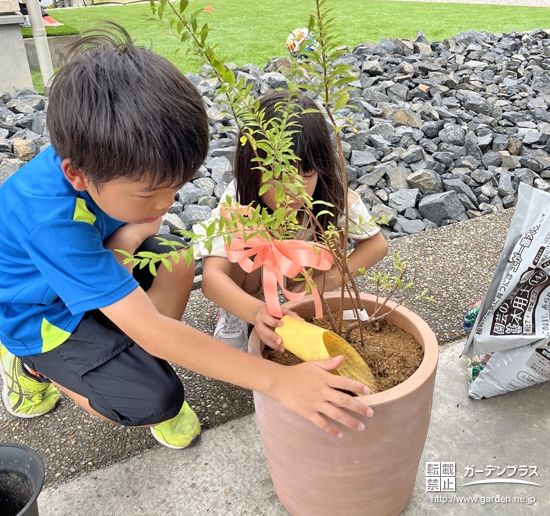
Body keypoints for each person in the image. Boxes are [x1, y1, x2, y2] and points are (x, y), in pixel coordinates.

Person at [0, 25, 373, 449]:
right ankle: (31, 368)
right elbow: (153, 324)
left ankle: (128, 352)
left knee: (176, 258)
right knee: (157, 398)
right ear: (77, 174)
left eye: (176, 186)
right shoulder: (50, 222)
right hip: (40, 314)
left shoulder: (102, 153)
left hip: (83, 267)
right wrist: (279, 380)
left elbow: (133, 248)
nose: (166, 204)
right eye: (150, 193)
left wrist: (129, 237)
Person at [198, 91, 389, 353]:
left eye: (307, 173)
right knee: (240, 240)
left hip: (299, 277)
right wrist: (255, 311)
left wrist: (324, 284)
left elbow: (377, 245)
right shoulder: (239, 199)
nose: (294, 191)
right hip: (253, 283)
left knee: (334, 234)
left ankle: (310, 305)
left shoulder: (332, 195)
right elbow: (212, 277)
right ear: (251, 170)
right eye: (278, 176)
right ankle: (234, 313)